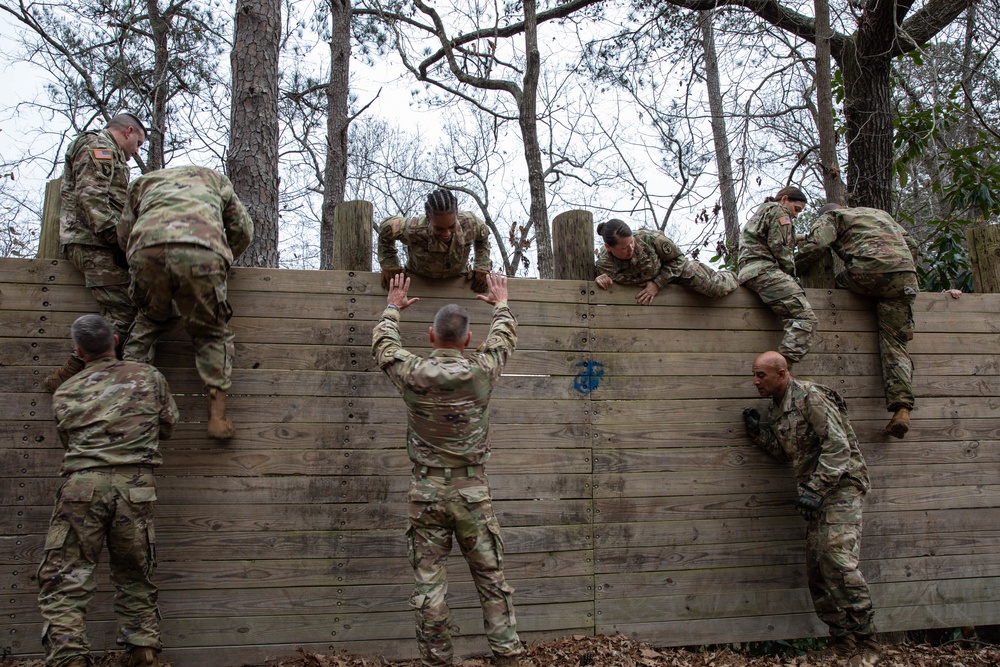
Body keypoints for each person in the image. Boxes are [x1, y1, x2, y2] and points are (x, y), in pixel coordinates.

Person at [372, 272, 534, 667]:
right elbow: (504, 337)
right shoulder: (481, 372)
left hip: (425, 494)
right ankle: (509, 658)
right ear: (466, 339)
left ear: (430, 336)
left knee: (429, 587)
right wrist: (501, 303)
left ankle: (437, 661)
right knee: (491, 580)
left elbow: (383, 344)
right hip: (471, 494)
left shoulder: (413, 373)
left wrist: (393, 306)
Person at [38, 314, 177, 667]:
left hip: (82, 487)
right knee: (135, 573)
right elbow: (168, 424)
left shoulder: (66, 390)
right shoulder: (149, 376)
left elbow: (67, 440)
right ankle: (143, 650)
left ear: (78, 351)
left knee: (65, 576)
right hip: (137, 489)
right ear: (115, 340)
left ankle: (70, 658)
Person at [743, 351, 879, 666]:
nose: (755, 381)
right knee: (818, 570)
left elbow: (838, 445)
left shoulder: (811, 397)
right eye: (754, 375)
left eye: (761, 375)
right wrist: (758, 434)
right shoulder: (777, 408)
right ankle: (843, 645)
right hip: (814, 494)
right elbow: (785, 452)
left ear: (782, 372)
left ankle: (869, 644)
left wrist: (816, 488)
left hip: (841, 486)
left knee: (837, 558)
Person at [117, 165, 253, 440]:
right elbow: (242, 230)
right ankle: (217, 417)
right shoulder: (216, 180)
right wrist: (222, 260)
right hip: (202, 252)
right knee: (211, 332)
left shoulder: (143, 183)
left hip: (147, 251)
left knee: (149, 320)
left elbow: (123, 234)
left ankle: (134, 409)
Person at [796, 203, 920, 438]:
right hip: (905, 276)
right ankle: (901, 408)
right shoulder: (881, 214)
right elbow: (912, 245)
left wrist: (793, 266)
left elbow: (817, 244)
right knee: (895, 344)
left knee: (835, 288)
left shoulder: (833, 216)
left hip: (867, 273)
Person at [45, 113, 147, 392]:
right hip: (92, 243)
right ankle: (72, 374)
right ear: (127, 131)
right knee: (126, 308)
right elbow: (93, 200)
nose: (134, 153)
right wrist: (121, 243)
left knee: (134, 303)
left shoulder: (111, 155)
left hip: (101, 243)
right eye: (137, 143)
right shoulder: (97, 147)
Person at [737, 186, 818, 367]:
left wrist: (804, 237)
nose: (796, 215)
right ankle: (779, 369)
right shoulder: (780, 212)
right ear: (784, 199)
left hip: (750, 271)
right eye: (796, 209)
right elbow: (780, 246)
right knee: (805, 319)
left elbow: (776, 236)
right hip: (765, 271)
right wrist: (791, 274)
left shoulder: (763, 211)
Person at [594, 219, 737, 304]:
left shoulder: (650, 239)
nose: (631, 248)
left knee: (714, 287)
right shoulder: (604, 264)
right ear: (608, 247)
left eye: (632, 242)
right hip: (645, 293)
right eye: (624, 247)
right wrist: (601, 279)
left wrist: (657, 283)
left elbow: (679, 259)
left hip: (674, 273)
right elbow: (599, 281)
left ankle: (736, 277)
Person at [377, 188, 492, 293]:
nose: (446, 233)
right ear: (428, 219)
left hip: (458, 278)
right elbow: (385, 230)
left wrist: (482, 267)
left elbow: (483, 239)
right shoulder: (413, 228)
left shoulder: (471, 224)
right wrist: (390, 265)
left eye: (451, 227)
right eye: (439, 228)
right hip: (418, 279)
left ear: (456, 214)